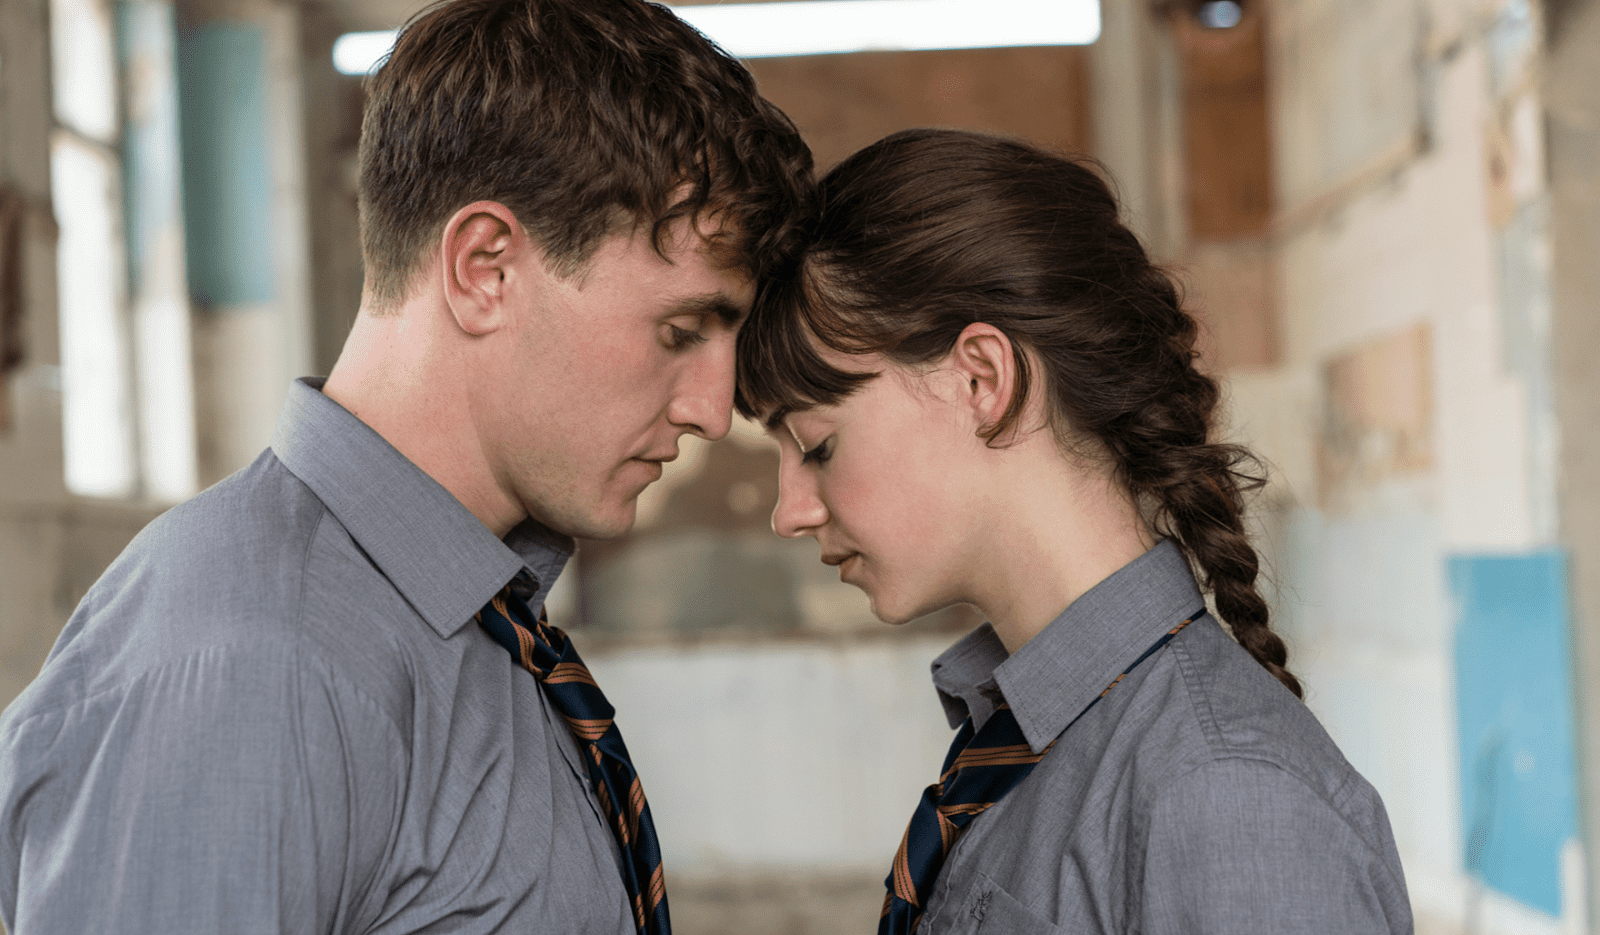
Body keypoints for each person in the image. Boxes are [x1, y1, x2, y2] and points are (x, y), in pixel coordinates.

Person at [0, 0, 810, 932]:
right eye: (680, 329)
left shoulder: (478, 619)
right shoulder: (256, 666)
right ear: (484, 268)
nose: (713, 408)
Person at [735, 128, 1412, 934]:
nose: (789, 509)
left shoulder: (1226, 794)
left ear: (982, 379)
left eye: (817, 445)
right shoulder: (1020, 748)